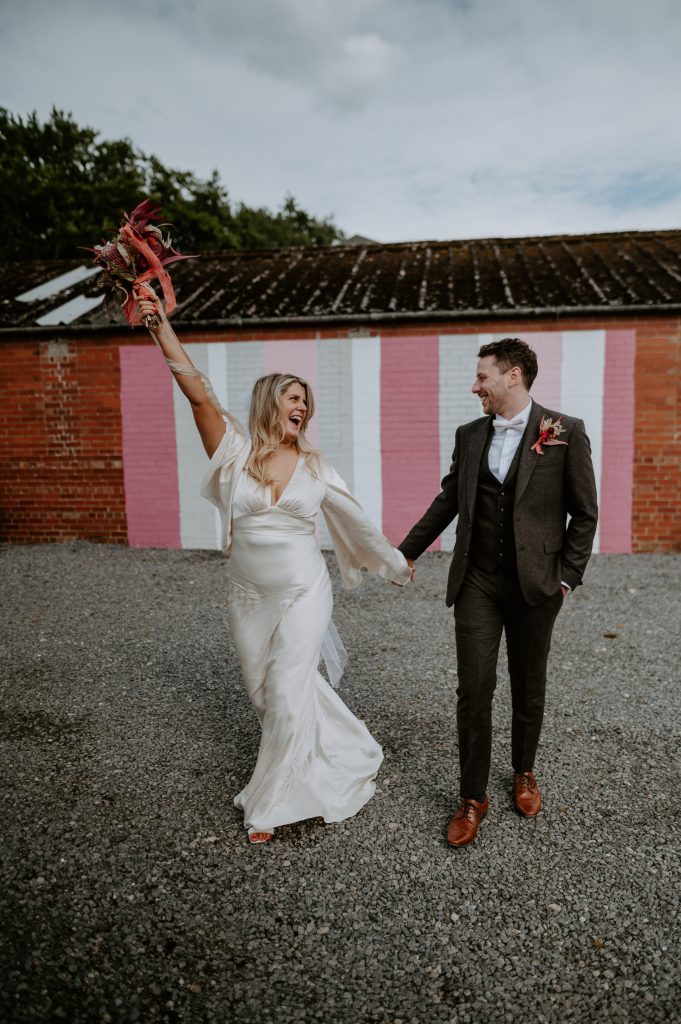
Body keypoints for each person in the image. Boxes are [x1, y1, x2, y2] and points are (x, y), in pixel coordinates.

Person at [135, 286, 412, 844]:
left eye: (306, 400)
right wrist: (158, 325)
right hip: (247, 596)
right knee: (267, 695)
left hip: (304, 590)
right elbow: (197, 397)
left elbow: (355, 520)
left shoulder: (315, 465)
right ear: (269, 403)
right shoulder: (233, 453)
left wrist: (394, 563)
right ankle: (336, 753)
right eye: (293, 397)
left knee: (287, 688)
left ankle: (272, 805)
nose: (303, 406)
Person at [399, 338, 598, 847]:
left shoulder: (564, 432)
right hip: (478, 582)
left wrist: (566, 577)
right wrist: (404, 553)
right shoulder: (469, 436)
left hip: (537, 584)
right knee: (474, 688)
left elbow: (585, 514)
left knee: (528, 686)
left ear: (513, 376)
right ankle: (472, 797)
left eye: (482, 376)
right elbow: (449, 499)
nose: (475, 386)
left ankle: (524, 771)